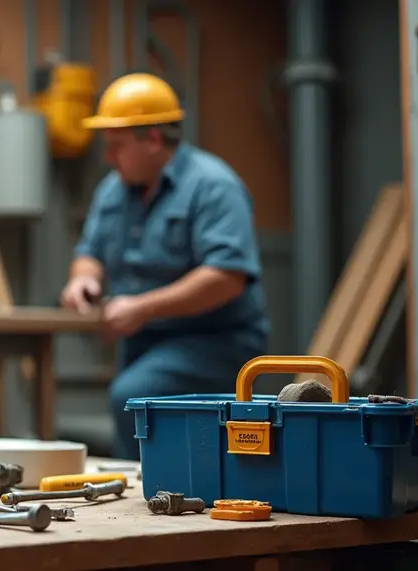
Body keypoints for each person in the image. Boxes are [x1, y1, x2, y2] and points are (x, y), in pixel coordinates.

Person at [60, 73, 269, 460]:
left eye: (116, 147)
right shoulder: (113, 190)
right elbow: (89, 251)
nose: (108, 158)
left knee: (131, 395)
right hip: (144, 342)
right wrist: (84, 279)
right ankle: (143, 495)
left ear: (153, 140)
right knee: (132, 397)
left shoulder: (213, 186)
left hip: (216, 341)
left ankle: (151, 496)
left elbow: (226, 277)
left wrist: (142, 308)